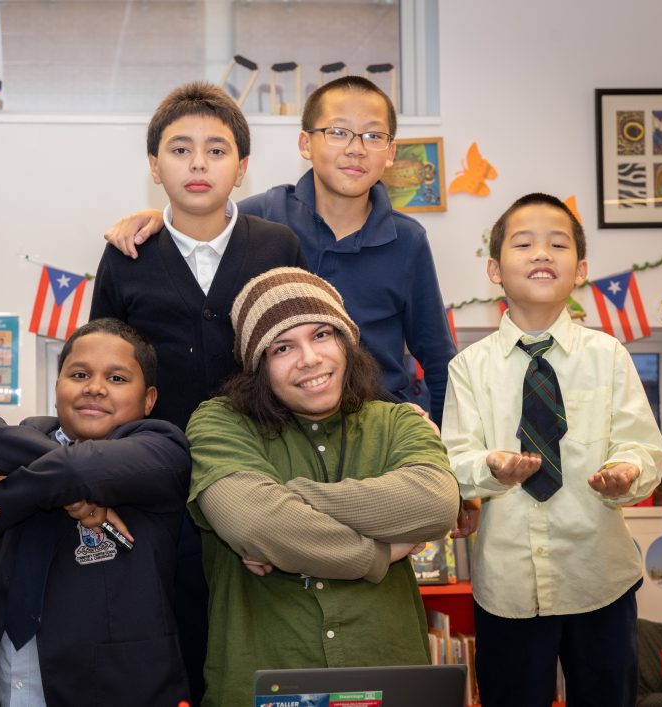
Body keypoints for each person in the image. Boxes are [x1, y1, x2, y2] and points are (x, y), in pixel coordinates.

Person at [89, 80, 305, 700]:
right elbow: (104, 365)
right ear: (155, 168)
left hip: (256, 466)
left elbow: (297, 354)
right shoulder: (128, 254)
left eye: (217, 150)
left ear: (241, 168)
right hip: (155, 472)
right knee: (165, 624)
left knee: (248, 625)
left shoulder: (277, 246)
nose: (199, 163)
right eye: (180, 150)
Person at [104, 75, 456, 428]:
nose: (355, 148)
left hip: (374, 416)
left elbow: (439, 358)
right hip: (273, 423)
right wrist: (156, 222)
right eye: (337, 132)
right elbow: (206, 214)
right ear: (306, 143)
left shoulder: (407, 240)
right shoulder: (267, 219)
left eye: (373, 136)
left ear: (391, 151)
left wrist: (440, 438)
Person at [187, 266, 460, 707]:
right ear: (257, 364)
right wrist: (379, 552)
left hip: (387, 678)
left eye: (321, 335)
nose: (310, 359)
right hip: (263, 679)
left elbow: (436, 504)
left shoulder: (399, 421)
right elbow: (254, 520)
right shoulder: (220, 422)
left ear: (346, 343)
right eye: (282, 347)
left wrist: (285, 500)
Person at [441, 193, 662, 707]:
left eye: (557, 244)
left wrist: (627, 471)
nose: (542, 253)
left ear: (580, 269)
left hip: (598, 579)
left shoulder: (608, 356)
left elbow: (641, 444)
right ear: (495, 269)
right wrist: (491, 468)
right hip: (508, 588)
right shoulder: (469, 367)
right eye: (524, 244)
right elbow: (455, 461)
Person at [0, 318, 191, 706]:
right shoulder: (31, 435)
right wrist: (66, 479)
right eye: (79, 374)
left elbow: (77, 469)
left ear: (148, 399)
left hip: (112, 686)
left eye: (117, 379)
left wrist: (11, 483)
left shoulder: (162, 450)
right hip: (4, 674)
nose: (95, 387)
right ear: (57, 387)